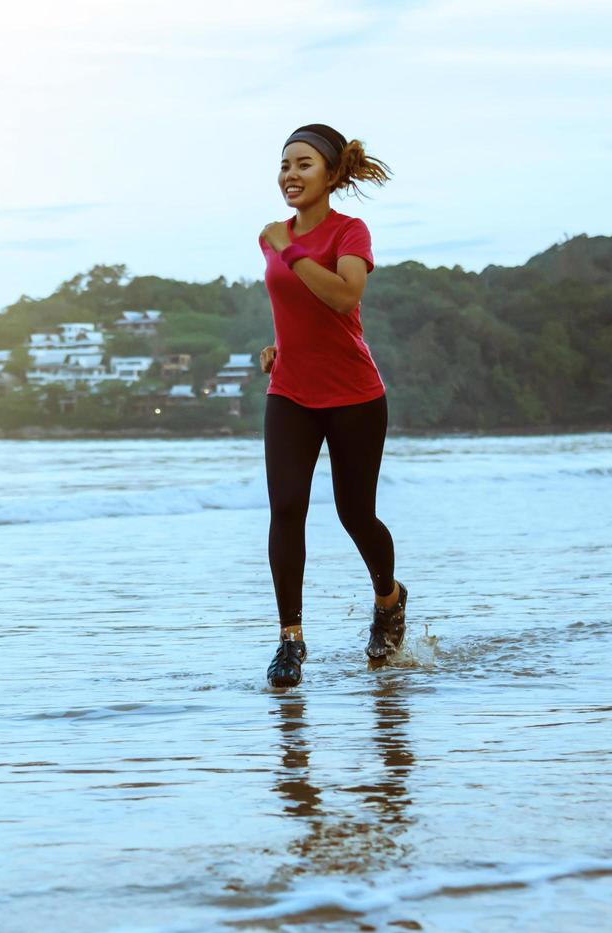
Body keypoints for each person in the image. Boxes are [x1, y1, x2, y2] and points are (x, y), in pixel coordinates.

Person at [256, 123, 406, 688]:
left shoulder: (349, 232)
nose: (290, 175)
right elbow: (294, 306)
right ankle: (290, 641)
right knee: (286, 508)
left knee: (353, 513)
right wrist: (277, 346)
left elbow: (345, 296)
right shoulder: (275, 237)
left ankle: (388, 601)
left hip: (355, 395)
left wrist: (289, 250)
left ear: (331, 174)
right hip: (290, 390)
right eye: (284, 165)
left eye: (303, 165)